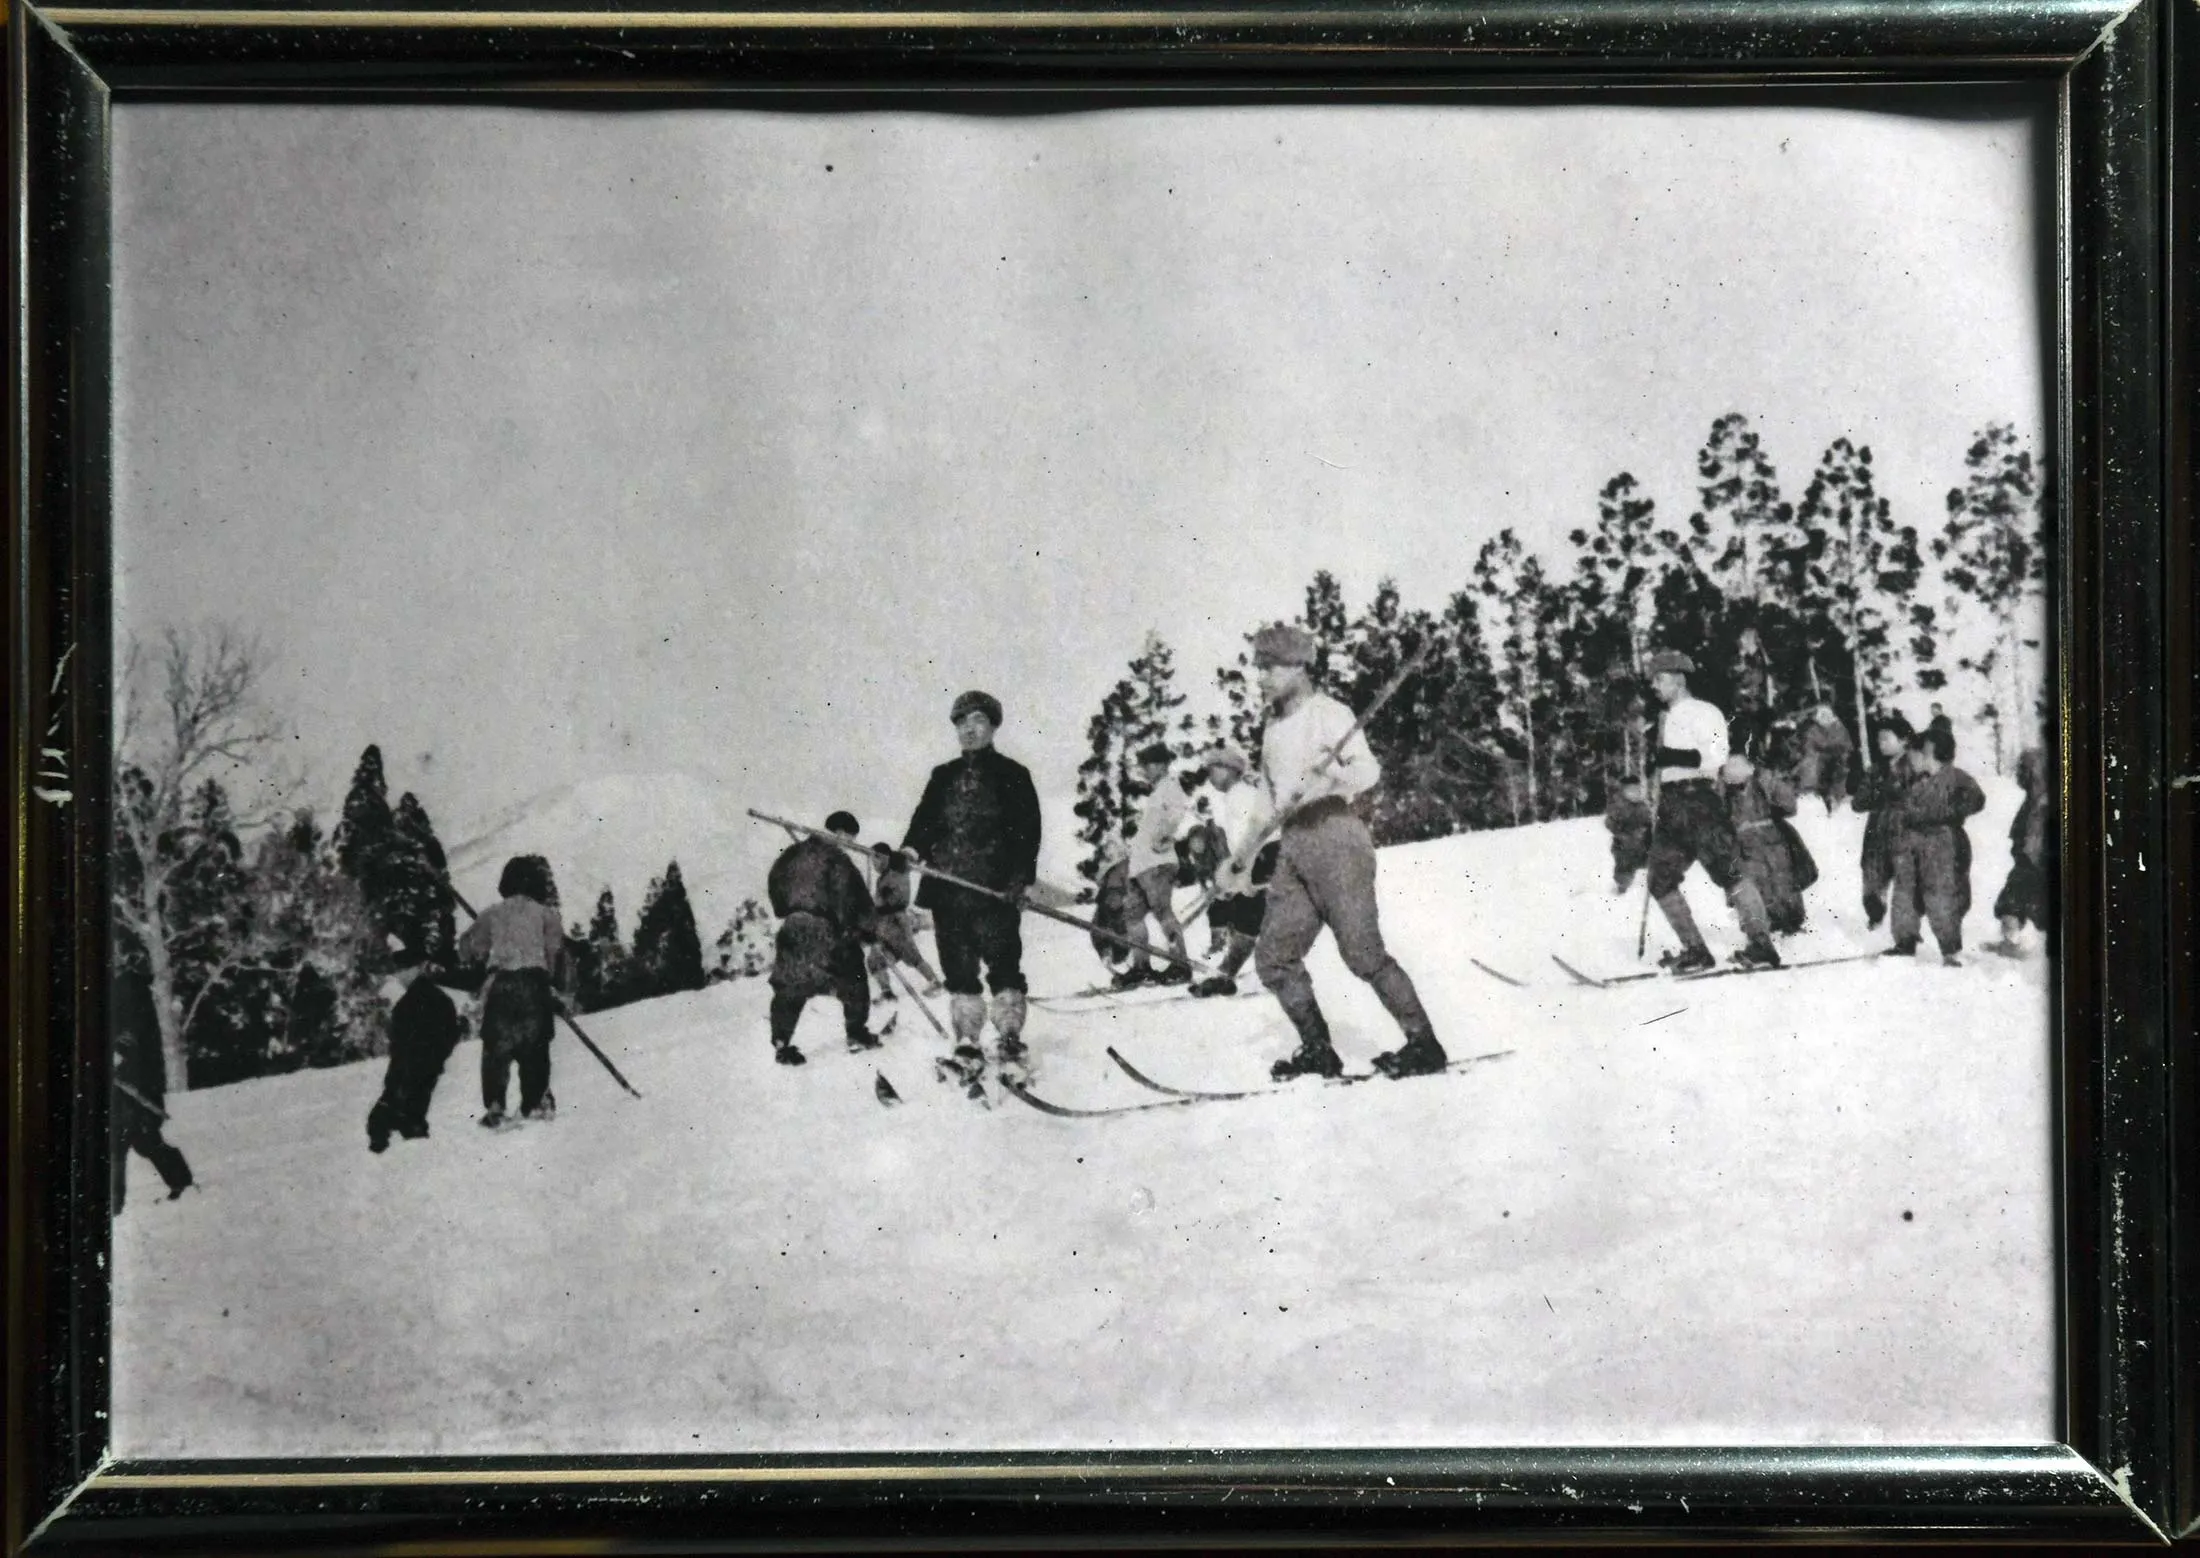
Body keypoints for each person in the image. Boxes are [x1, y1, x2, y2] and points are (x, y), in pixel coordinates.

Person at [1238, 623, 1446, 1081]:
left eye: (1269, 667)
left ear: (1298, 665)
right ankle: (1318, 1050)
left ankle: (1424, 1044)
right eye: (1259, 668)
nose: (1261, 677)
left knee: (1362, 954)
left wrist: (1329, 778)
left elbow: (1367, 771)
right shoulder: (1273, 727)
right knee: (1274, 957)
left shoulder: (1328, 713)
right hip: (1293, 844)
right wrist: (1238, 857)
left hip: (1336, 837)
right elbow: (1264, 802)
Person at [902, 690, 1043, 1078]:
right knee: (958, 968)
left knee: (1003, 964)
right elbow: (924, 822)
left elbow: (1027, 833)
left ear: (993, 726)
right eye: (961, 723)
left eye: (977, 721)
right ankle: (967, 1039)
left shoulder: (1013, 775)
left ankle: (1010, 1034)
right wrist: (910, 852)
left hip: (995, 890)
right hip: (948, 890)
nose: (969, 729)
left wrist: (1019, 880)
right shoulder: (942, 776)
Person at [1640, 648, 1781, 973]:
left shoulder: (1705, 712)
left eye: (1659, 679)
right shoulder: (1665, 718)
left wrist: (1669, 756)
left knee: (1729, 872)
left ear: (1678, 680)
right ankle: (1696, 952)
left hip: (1699, 801)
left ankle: (1761, 945)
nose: (1654, 686)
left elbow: (1714, 759)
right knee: (1659, 879)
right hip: (1672, 805)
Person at [457, 855, 569, 1127]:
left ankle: (496, 1106)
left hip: (502, 986)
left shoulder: (492, 913)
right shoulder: (547, 914)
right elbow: (555, 952)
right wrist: (552, 984)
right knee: (536, 1046)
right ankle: (535, 1102)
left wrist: (482, 955)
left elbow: (469, 946)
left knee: (497, 1048)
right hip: (534, 984)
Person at [765, 812, 881, 1064]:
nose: (849, 843)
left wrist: (786, 910)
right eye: (850, 839)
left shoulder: (791, 854)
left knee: (790, 986)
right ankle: (856, 1034)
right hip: (826, 930)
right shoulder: (838, 860)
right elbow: (850, 897)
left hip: (793, 927)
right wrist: (865, 929)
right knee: (854, 980)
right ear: (840, 833)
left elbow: (774, 881)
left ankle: (782, 1044)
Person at [1886, 726, 1987, 965]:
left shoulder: (1956, 777)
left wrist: (1948, 814)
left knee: (1942, 894)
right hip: (1911, 844)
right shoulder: (1915, 780)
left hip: (1943, 844)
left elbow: (1977, 799)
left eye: (1915, 754)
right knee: (1905, 892)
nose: (1911, 759)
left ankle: (1950, 950)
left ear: (1929, 753)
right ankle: (1904, 941)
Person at [1191, 746, 1274, 998]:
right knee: (1247, 919)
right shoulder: (1236, 795)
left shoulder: (1240, 795)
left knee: (1252, 917)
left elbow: (1252, 834)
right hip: (1258, 859)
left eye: (1213, 769)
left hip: (1265, 856)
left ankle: (1229, 974)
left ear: (1229, 770)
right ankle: (1225, 975)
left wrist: (1243, 872)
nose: (1209, 775)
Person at [367, 936, 463, 1152]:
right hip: (428, 1067)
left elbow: (399, 1044)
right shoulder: (439, 999)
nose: (400, 975)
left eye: (404, 969)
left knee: (387, 1118)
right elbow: (451, 1032)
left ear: (418, 968)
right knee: (413, 1116)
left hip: (409, 1068)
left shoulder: (408, 1003)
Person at [111, 966, 193, 1211]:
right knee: (128, 1144)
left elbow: (130, 1038)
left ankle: (114, 1207)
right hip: (125, 1089)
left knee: (137, 1142)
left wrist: (116, 1056)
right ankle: (114, 1207)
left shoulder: (128, 994)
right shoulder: (123, 992)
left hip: (136, 1089)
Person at [1116, 742, 1195, 988]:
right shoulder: (1157, 791)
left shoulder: (1170, 786)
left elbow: (1177, 812)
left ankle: (1180, 964)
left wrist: (1164, 835)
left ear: (1161, 764)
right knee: (1132, 916)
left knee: (1162, 911)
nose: (1144, 770)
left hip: (1158, 864)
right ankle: (1141, 966)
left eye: (1148, 765)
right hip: (1142, 866)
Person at [1720, 753, 1811, 936]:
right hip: (1742, 847)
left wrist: (1770, 781)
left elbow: (1789, 806)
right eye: (1728, 767)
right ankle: (1760, 930)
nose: (1732, 771)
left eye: (1738, 766)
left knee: (1783, 881)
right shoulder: (1722, 792)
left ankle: (1792, 923)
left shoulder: (1764, 783)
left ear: (1750, 768)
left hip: (1773, 841)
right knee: (1752, 885)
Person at [1851, 713, 1917, 929]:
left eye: (1886, 739)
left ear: (1904, 740)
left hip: (1904, 830)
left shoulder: (1915, 767)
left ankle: (1905, 929)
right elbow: (1858, 803)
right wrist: (1876, 791)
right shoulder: (1876, 770)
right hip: (1877, 829)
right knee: (1872, 878)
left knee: (1905, 881)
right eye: (1879, 739)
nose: (1881, 744)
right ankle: (1875, 919)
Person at [1988, 745, 2054, 958]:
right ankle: (2010, 943)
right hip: (2026, 864)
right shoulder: (2031, 801)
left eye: (2025, 770)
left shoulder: (2048, 802)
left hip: (2042, 865)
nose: (2020, 774)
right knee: (2010, 902)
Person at [865, 842, 942, 1002]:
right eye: (872, 860)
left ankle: (935, 982)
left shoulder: (896, 874)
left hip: (896, 922)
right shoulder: (887, 875)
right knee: (875, 959)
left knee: (911, 955)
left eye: (876, 860)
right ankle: (887, 992)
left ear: (884, 858)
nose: (874, 864)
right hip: (884, 924)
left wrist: (878, 903)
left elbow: (893, 900)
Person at [1792, 702, 1855, 813]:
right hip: (1820, 762)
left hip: (1838, 761)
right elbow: (1809, 746)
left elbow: (1844, 745)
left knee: (1839, 775)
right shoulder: (1813, 729)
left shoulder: (1838, 726)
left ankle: (1836, 802)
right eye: (1821, 715)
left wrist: (1827, 748)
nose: (1824, 717)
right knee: (1813, 769)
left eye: (1826, 714)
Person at [1604, 779, 1652, 895]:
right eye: (1631, 790)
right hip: (1624, 843)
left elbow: (1649, 819)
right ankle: (1622, 887)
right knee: (1625, 865)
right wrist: (1622, 832)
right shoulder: (1619, 805)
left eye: (1637, 789)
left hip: (1642, 841)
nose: (1635, 793)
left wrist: (1647, 828)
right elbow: (1609, 822)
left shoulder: (1643, 806)